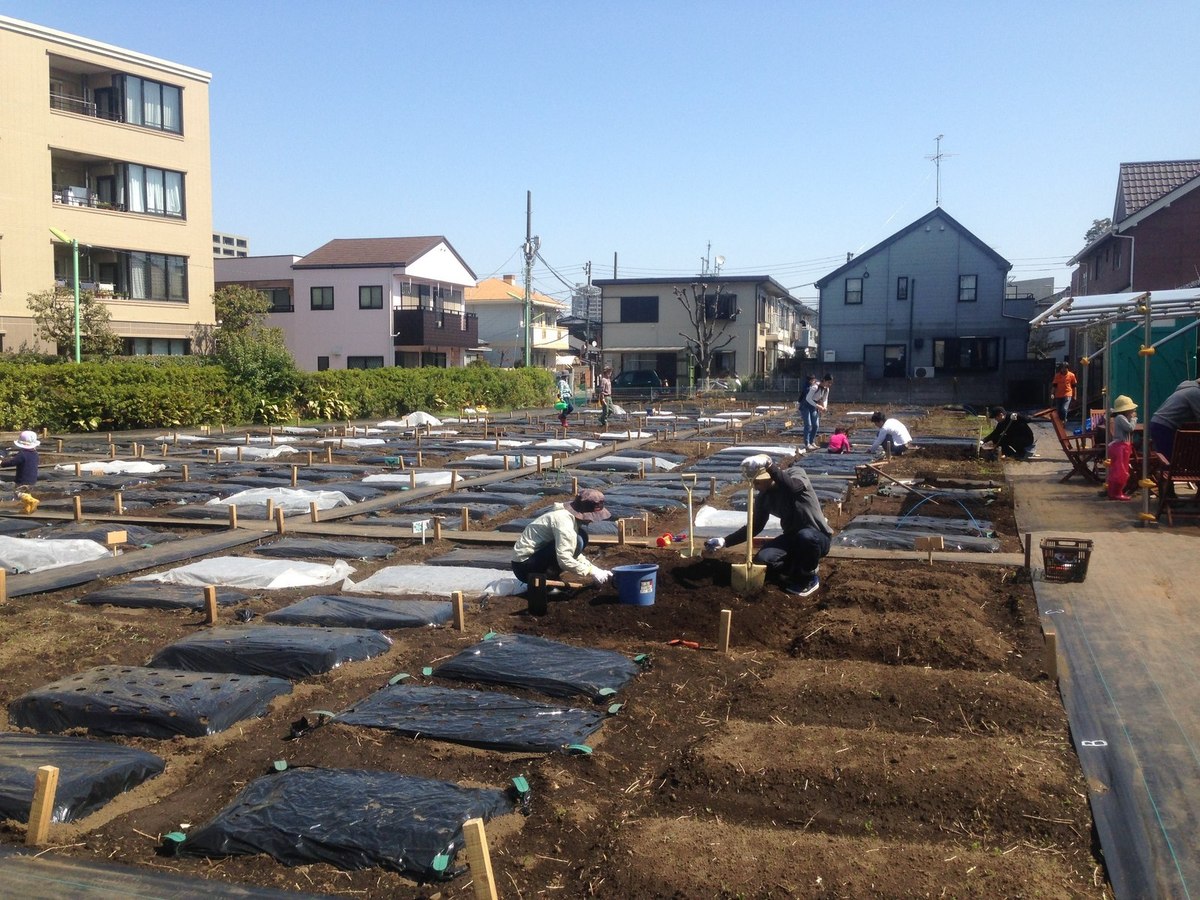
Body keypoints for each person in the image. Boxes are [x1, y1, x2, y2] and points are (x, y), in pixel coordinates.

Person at [704, 454, 833, 597]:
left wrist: (769, 465)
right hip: (792, 538)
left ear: (768, 477)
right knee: (763, 560)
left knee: (806, 536)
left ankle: (809, 577)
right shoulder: (763, 498)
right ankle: (796, 568)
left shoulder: (795, 474)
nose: (755, 486)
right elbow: (755, 526)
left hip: (817, 536)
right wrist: (725, 541)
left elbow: (794, 488)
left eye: (757, 483)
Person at [511, 489, 613, 587]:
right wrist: (590, 571)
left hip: (535, 559)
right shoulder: (564, 521)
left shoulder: (570, 519)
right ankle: (547, 578)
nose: (592, 521)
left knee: (580, 536)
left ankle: (551, 576)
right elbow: (564, 559)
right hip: (525, 567)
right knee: (579, 539)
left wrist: (593, 568)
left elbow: (571, 550)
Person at [1148, 378, 1200, 462]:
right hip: (1165, 426)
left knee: (1169, 456)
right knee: (1170, 458)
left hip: (1157, 423)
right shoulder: (1196, 392)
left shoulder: (1186, 389)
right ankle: (1172, 473)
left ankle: (1170, 472)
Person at [1106, 395, 1137, 500]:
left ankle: (1113, 492)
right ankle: (1117, 492)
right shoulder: (1121, 418)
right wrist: (1134, 419)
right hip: (1121, 446)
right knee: (1121, 470)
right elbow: (1130, 428)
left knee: (1118, 469)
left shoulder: (1120, 418)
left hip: (1122, 446)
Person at [1, 430, 40, 514]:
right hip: (32, 479)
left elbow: (13, 462)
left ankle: (32, 501)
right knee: (27, 493)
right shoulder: (35, 453)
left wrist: (2, 463)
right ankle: (27, 509)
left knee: (18, 493)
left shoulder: (22, 454)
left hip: (23, 479)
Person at [802, 374, 833, 450]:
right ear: (824, 380)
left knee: (816, 425)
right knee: (808, 425)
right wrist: (818, 406)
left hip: (814, 406)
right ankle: (807, 444)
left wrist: (824, 407)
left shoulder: (826, 389)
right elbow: (808, 398)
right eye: (828, 382)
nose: (829, 384)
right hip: (806, 405)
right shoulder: (815, 387)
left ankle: (812, 442)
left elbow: (825, 399)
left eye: (831, 383)